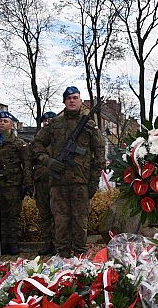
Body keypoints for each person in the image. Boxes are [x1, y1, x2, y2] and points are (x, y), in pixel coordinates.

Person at [32, 86, 105, 257]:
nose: (72, 100)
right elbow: (36, 145)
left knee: (80, 222)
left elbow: (100, 153)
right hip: (58, 184)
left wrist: (93, 181)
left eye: (75, 97)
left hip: (81, 182)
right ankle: (63, 256)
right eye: (68, 98)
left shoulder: (89, 125)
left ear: (80, 101)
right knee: (61, 221)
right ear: (64, 101)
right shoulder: (54, 124)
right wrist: (48, 161)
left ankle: (80, 256)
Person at [0, 111, 33, 255]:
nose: (2, 123)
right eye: (0, 120)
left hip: (13, 185)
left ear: (11, 124)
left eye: (5, 121)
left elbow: (26, 165)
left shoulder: (18, 144)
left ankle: (13, 243)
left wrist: (26, 185)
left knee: (14, 216)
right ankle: (2, 243)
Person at [32, 111, 57, 255]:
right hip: (41, 182)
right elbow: (29, 161)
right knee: (45, 214)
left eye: (51, 120)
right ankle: (48, 242)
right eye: (45, 120)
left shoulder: (60, 139)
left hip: (57, 182)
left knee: (58, 214)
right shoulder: (38, 141)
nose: (48, 122)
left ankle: (58, 243)